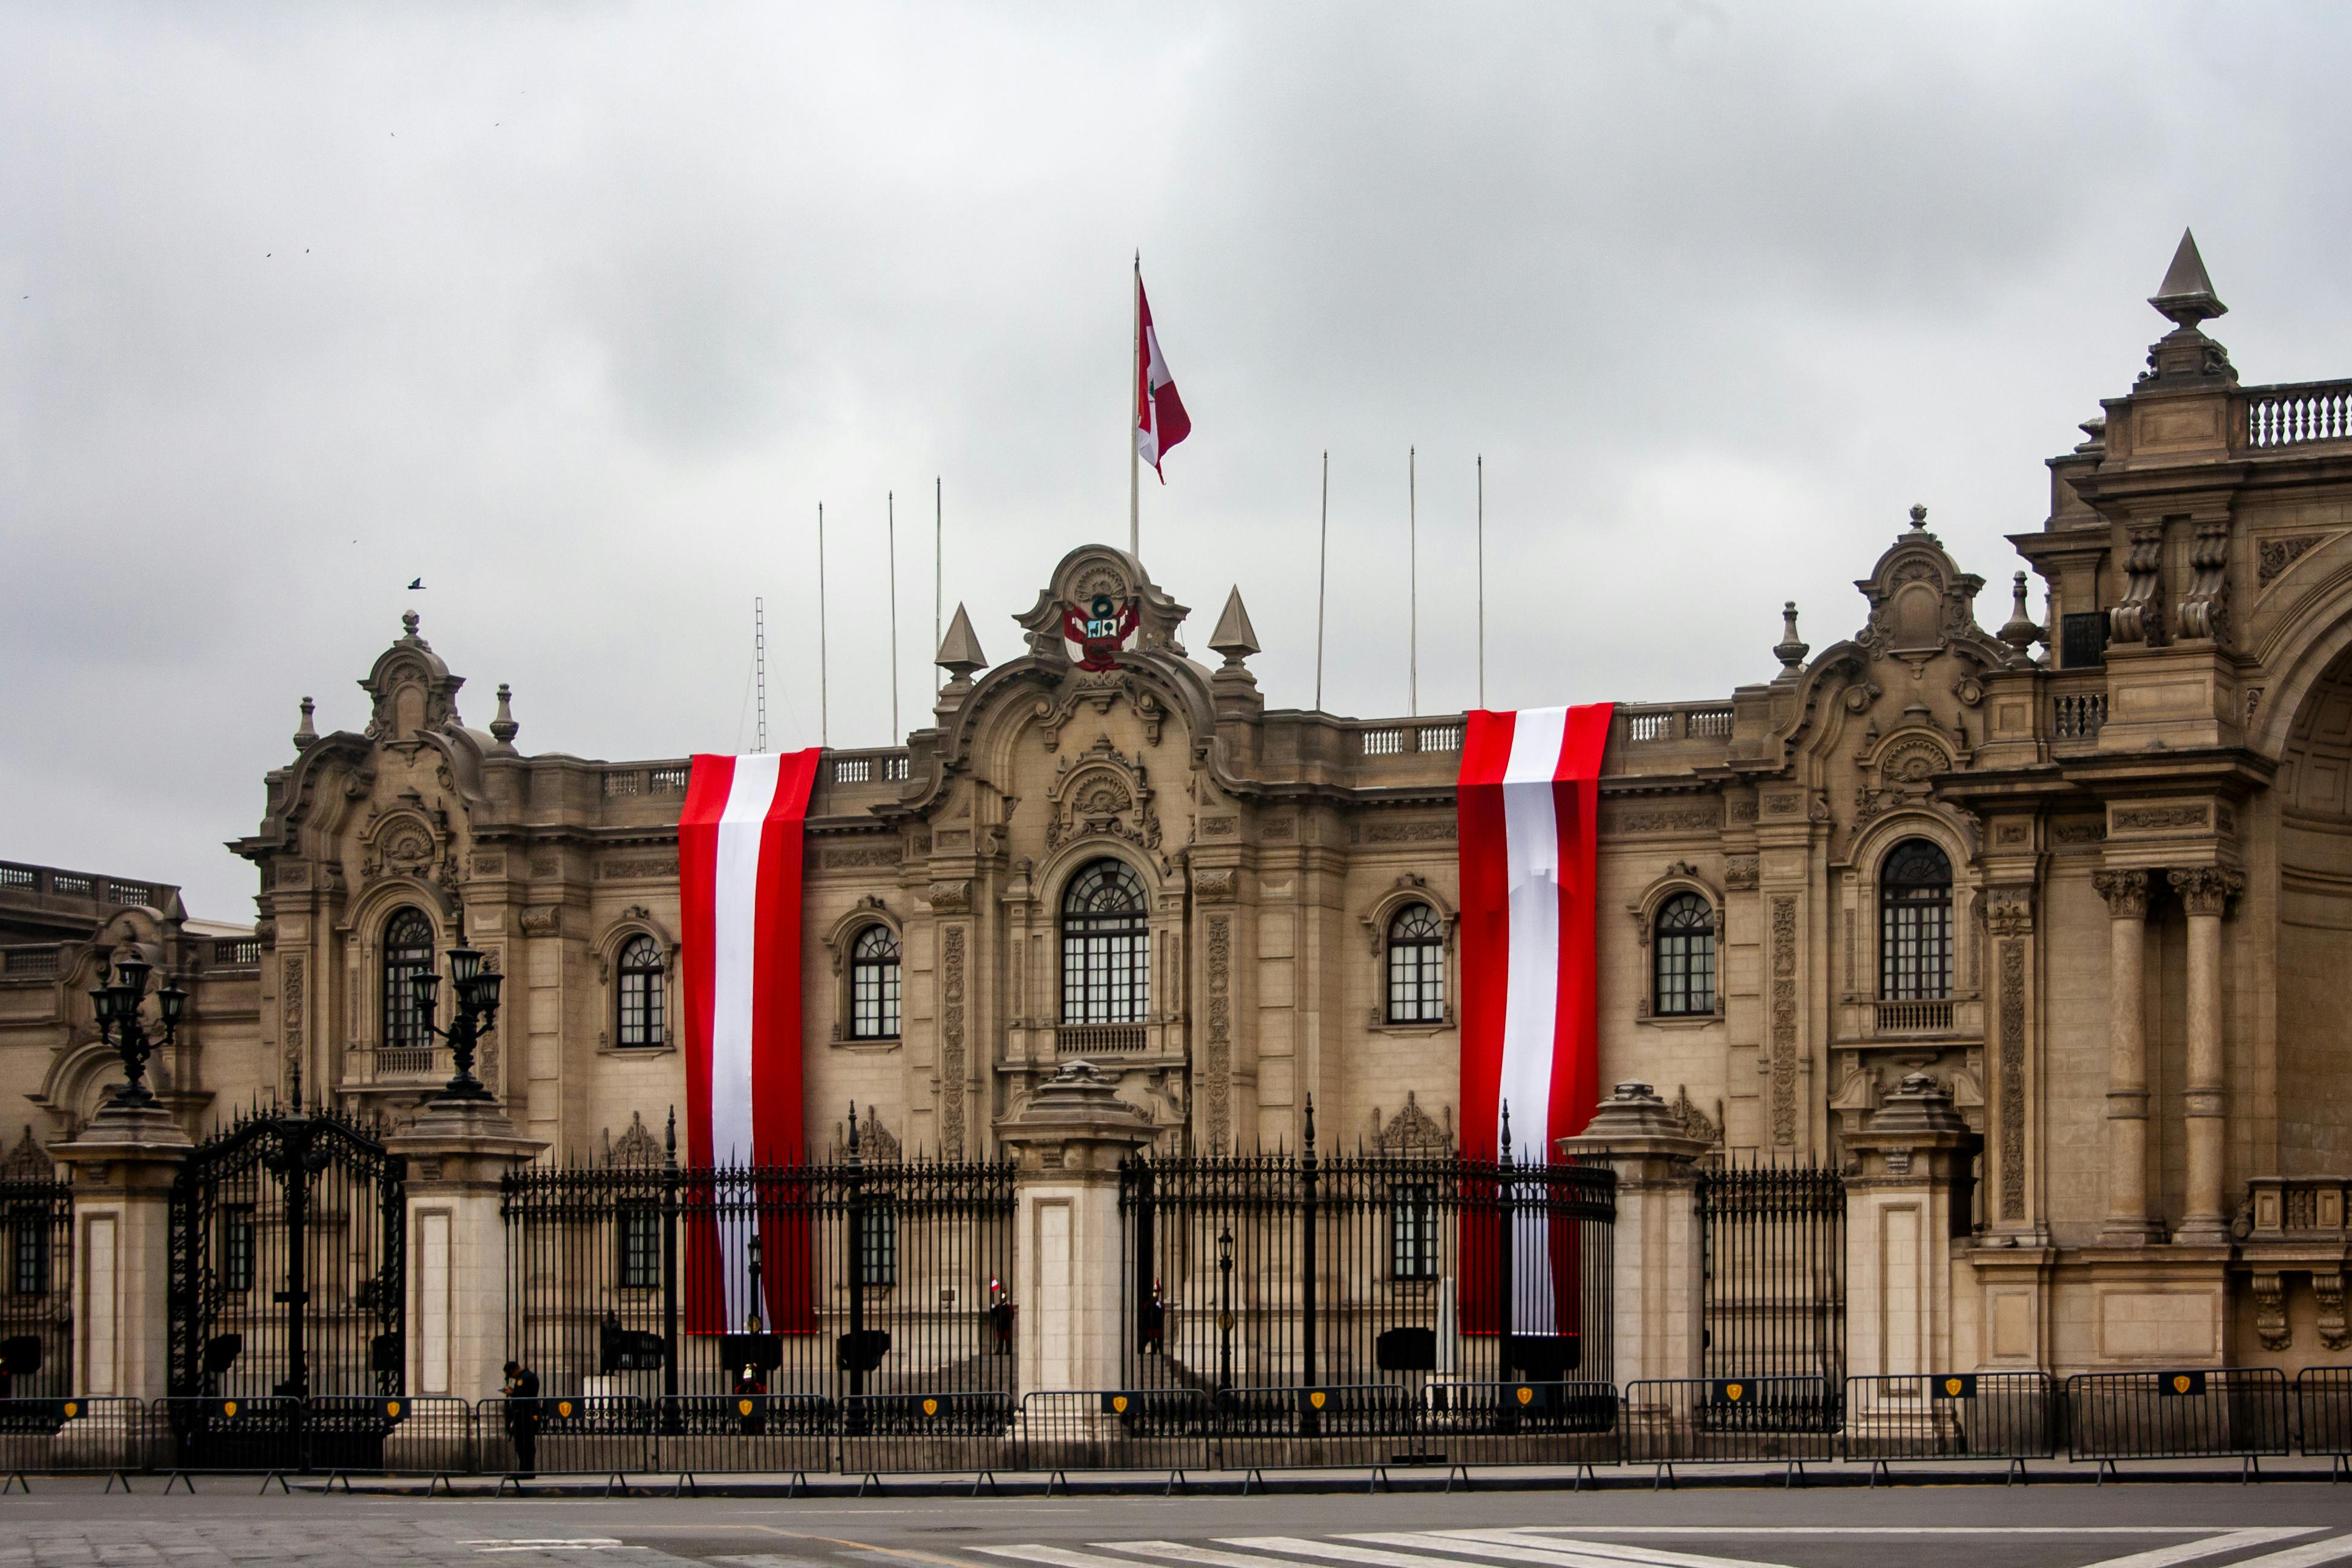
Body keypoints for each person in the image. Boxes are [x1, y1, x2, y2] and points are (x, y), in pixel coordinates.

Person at [501, 1360, 540, 1478]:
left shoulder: (523, 1379)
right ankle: (526, 1470)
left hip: (525, 1415)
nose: (511, 1377)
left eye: (510, 1374)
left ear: (513, 1370)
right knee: (526, 1444)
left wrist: (512, 1393)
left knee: (524, 1444)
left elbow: (523, 1397)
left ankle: (526, 1471)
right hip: (528, 1414)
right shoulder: (529, 1376)